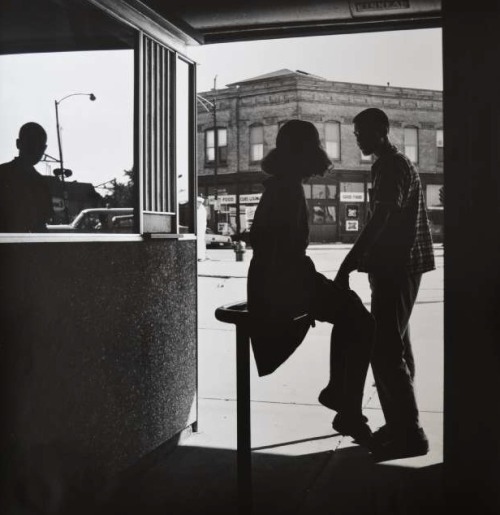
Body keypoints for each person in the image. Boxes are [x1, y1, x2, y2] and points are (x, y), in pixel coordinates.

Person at [247, 120, 375, 446]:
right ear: (306, 151)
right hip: (284, 285)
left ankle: (340, 396)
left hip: (280, 281)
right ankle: (344, 402)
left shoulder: (281, 186)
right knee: (360, 319)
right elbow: (282, 252)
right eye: (315, 145)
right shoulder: (287, 190)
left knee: (353, 312)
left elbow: (266, 244)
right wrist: (310, 291)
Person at [335, 108, 435, 460]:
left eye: (364, 132)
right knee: (397, 348)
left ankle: (410, 434)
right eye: (356, 133)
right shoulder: (393, 163)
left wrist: (349, 261)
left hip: (397, 268)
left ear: (383, 130)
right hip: (396, 267)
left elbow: (381, 218)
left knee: (386, 350)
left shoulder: (392, 166)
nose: (358, 138)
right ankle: (402, 425)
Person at [0, 122, 52, 232]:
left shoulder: (3, 173)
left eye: (39, 146)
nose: (35, 149)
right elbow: (41, 226)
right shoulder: (41, 183)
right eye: (31, 144)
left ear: (18, 143)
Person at [197, 196, 207, 261]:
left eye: (198, 202)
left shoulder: (202, 209)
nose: (198, 204)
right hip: (199, 227)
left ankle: (201, 256)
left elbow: (201, 220)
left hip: (200, 228)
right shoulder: (200, 209)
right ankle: (199, 256)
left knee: (200, 241)